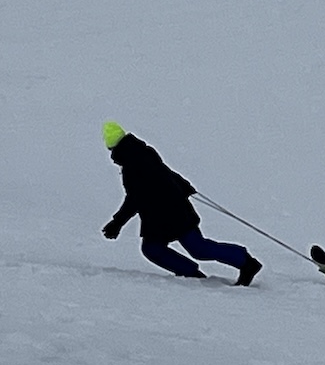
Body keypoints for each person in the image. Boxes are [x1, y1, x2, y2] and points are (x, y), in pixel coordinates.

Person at [100, 121, 262, 286]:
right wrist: (184, 186)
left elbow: (135, 198)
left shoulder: (132, 165)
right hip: (174, 210)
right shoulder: (142, 152)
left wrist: (117, 223)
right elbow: (165, 172)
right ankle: (244, 262)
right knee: (198, 248)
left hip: (164, 215)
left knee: (154, 249)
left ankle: (193, 272)